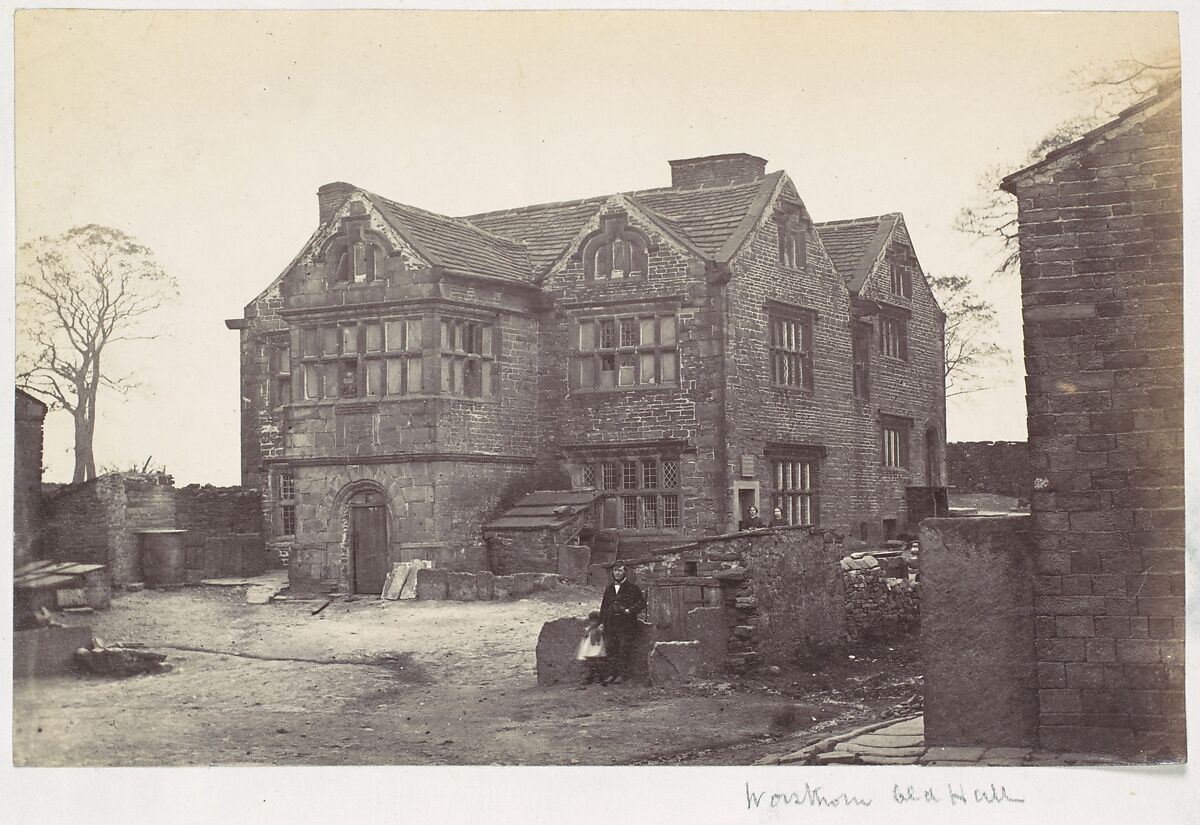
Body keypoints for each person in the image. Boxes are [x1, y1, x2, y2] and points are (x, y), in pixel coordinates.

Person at [598, 563, 646, 685]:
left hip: (626, 624)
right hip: (611, 624)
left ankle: (623, 675)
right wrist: (602, 622)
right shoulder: (609, 588)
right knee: (611, 648)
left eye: (619, 571)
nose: (617, 573)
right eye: (615, 571)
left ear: (625, 572)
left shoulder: (632, 587)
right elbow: (604, 606)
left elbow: (641, 603)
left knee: (624, 648)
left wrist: (629, 610)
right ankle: (612, 674)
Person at [576, 611, 607, 685]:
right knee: (590, 661)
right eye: (592, 621)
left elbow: (600, 634)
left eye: (595, 620)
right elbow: (584, 635)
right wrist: (586, 632)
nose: (593, 622)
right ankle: (590, 676)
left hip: (597, 646)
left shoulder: (600, 627)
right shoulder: (589, 628)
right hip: (589, 647)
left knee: (597, 661)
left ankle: (598, 677)